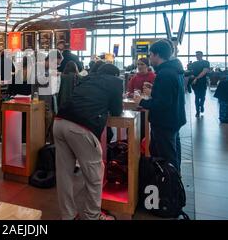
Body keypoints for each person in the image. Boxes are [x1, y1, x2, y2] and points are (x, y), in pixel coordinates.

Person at [55, 63, 123, 220]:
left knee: (64, 174)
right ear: (115, 74)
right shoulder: (115, 82)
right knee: (95, 174)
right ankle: (93, 216)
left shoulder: (86, 78)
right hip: (81, 127)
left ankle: (68, 215)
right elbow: (117, 111)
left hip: (59, 121)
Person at [134, 40, 186, 172]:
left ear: (157, 55)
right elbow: (172, 95)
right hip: (174, 119)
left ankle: (169, 187)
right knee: (173, 155)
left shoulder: (165, 74)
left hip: (164, 122)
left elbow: (162, 104)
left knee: (166, 158)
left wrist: (141, 101)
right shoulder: (175, 70)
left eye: (150, 55)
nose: (149, 58)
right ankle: (173, 183)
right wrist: (155, 90)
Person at [35, 50, 63, 143]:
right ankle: (40, 147)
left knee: (52, 125)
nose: (56, 66)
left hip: (51, 101)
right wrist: (51, 75)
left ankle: (49, 149)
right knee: (42, 126)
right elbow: (38, 81)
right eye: (56, 64)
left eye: (58, 65)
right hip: (40, 102)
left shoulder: (50, 69)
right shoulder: (38, 66)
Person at [190, 51, 210, 117]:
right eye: (196, 55)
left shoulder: (206, 62)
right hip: (195, 83)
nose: (197, 56)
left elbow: (204, 71)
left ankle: (201, 105)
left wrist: (196, 78)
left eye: (198, 55)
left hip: (202, 82)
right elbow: (192, 72)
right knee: (197, 97)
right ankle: (197, 111)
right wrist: (192, 76)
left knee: (202, 96)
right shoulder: (194, 63)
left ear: (202, 55)